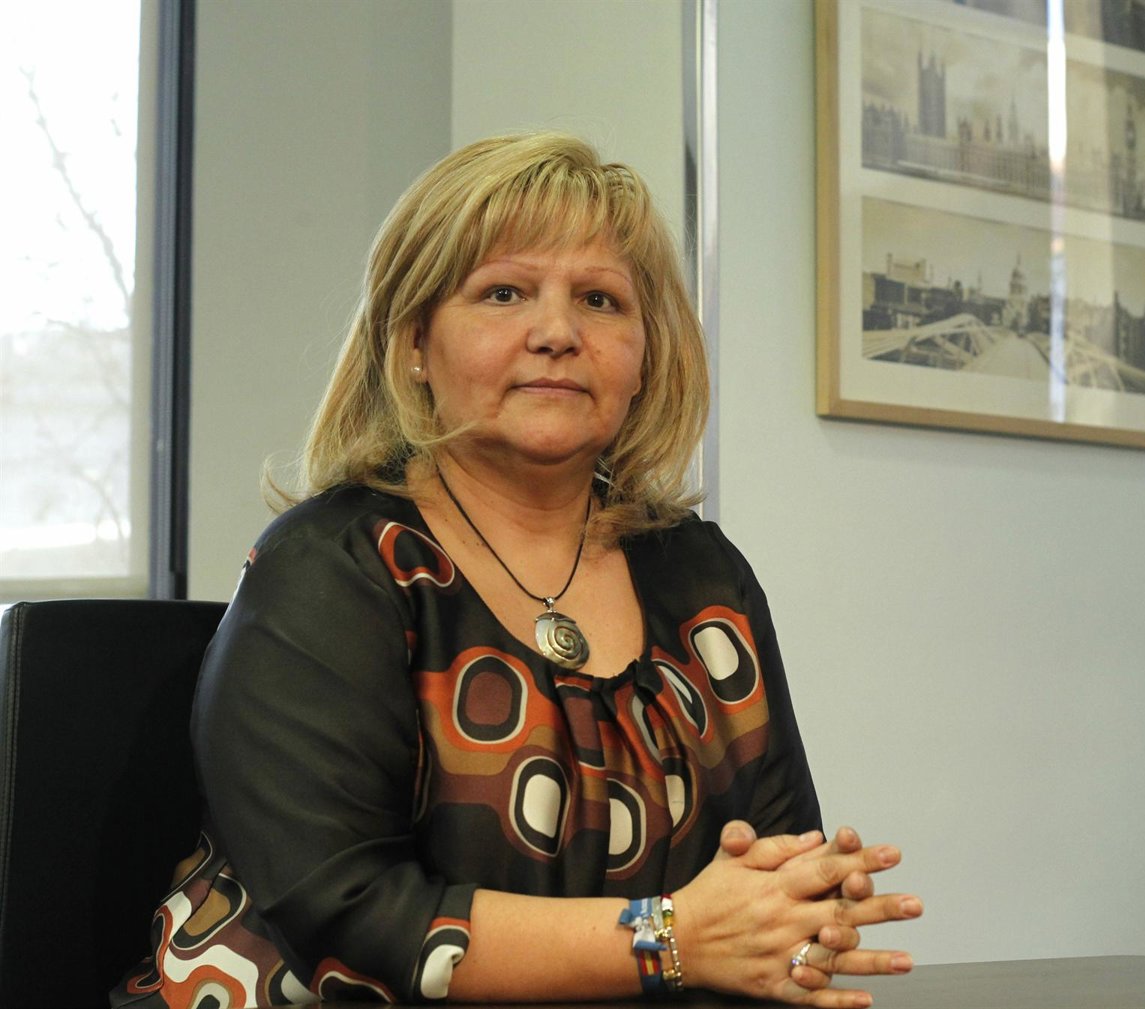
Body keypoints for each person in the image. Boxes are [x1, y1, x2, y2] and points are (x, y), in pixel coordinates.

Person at [113, 133, 922, 1009]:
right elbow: (352, 917)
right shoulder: (330, 570)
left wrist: (797, 917)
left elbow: (774, 861)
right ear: (414, 341)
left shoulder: (702, 575)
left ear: (646, 353)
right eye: (504, 293)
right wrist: (671, 939)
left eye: (600, 301)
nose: (558, 334)